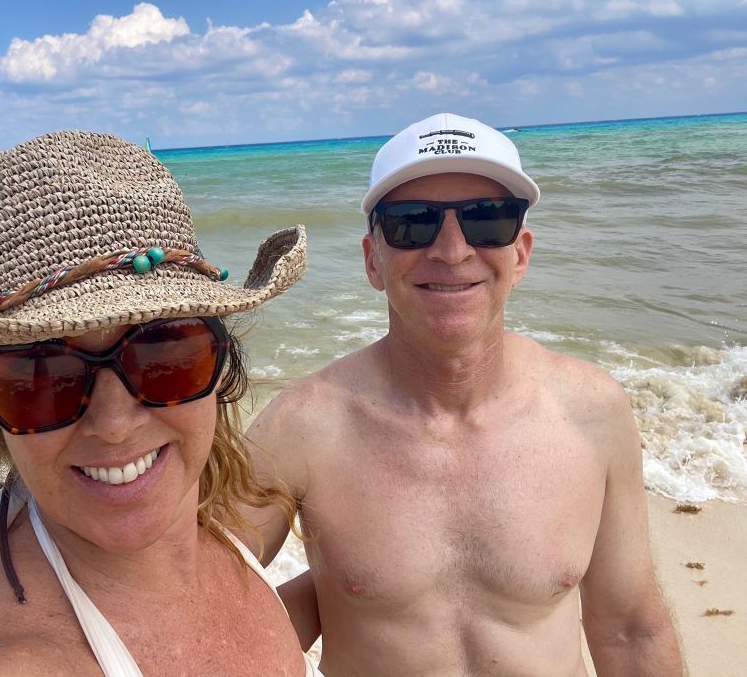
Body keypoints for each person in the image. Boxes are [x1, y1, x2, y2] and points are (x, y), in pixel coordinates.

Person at [242, 113, 683, 676]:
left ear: (520, 254)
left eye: (486, 219)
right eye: (412, 223)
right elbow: (191, 600)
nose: (452, 250)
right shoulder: (302, 427)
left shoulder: (591, 411)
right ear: (374, 260)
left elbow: (630, 629)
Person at [0, 130, 322, 676]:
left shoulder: (215, 530)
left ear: (220, 368)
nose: (115, 424)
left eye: (164, 354)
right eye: (41, 378)